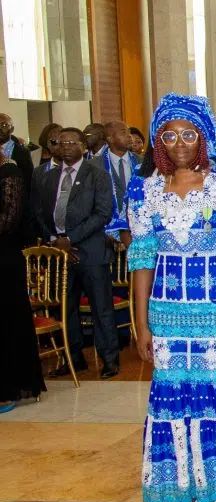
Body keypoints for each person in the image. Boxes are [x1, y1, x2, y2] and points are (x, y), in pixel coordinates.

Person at [126, 93, 216, 502]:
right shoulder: (144, 192)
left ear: (203, 139)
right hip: (166, 315)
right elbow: (141, 261)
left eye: (189, 134)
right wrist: (140, 323)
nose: (180, 143)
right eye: (170, 135)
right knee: (174, 401)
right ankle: (184, 489)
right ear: (159, 140)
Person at [30, 127, 121, 378]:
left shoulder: (97, 174)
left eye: (72, 142)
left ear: (83, 145)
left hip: (90, 252)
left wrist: (71, 239)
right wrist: (55, 240)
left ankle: (109, 359)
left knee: (100, 308)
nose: (66, 146)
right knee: (66, 308)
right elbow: (38, 212)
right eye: (61, 142)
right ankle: (75, 357)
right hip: (60, 254)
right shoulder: (46, 177)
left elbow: (102, 213)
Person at [0, 156, 44, 413]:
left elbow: (8, 219)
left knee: (5, 321)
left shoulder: (9, 172)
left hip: (3, 260)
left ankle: (8, 387)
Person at [88, 121, 141, 245]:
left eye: (129, 132)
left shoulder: (141, 162)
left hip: (137, 231)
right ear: (110, 139)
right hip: (104, 236)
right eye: (123, 132)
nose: (130, 136)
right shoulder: (93, 165)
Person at [0, 113, 34, 197]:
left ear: (12, 129)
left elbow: (28, 182)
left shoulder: (23, 152)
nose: (0, 128)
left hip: (14, 201)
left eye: (4, 125)